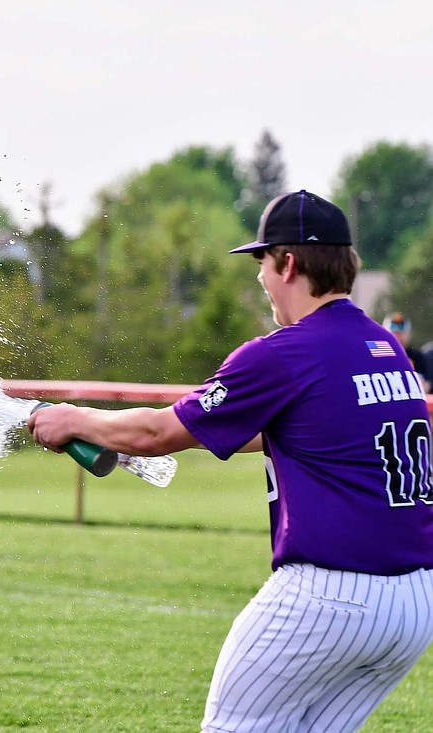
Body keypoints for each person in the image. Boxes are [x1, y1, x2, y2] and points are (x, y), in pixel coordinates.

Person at [28, 190, 433, 733]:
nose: (261, 278)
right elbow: (293, 433)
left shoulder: (281, 352)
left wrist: (76, 420)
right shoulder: (384, 344)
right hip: (414, 604)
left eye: (263, 263)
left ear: (288, 263)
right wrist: (121, 437)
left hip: (330, 595)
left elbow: (160, 430)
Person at [383, 311, 429, 392]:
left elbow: (426, 385)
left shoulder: (417, 357)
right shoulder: (379, 355)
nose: (397, 337)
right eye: (394, 333)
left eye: (400, 333)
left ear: (408, 334)